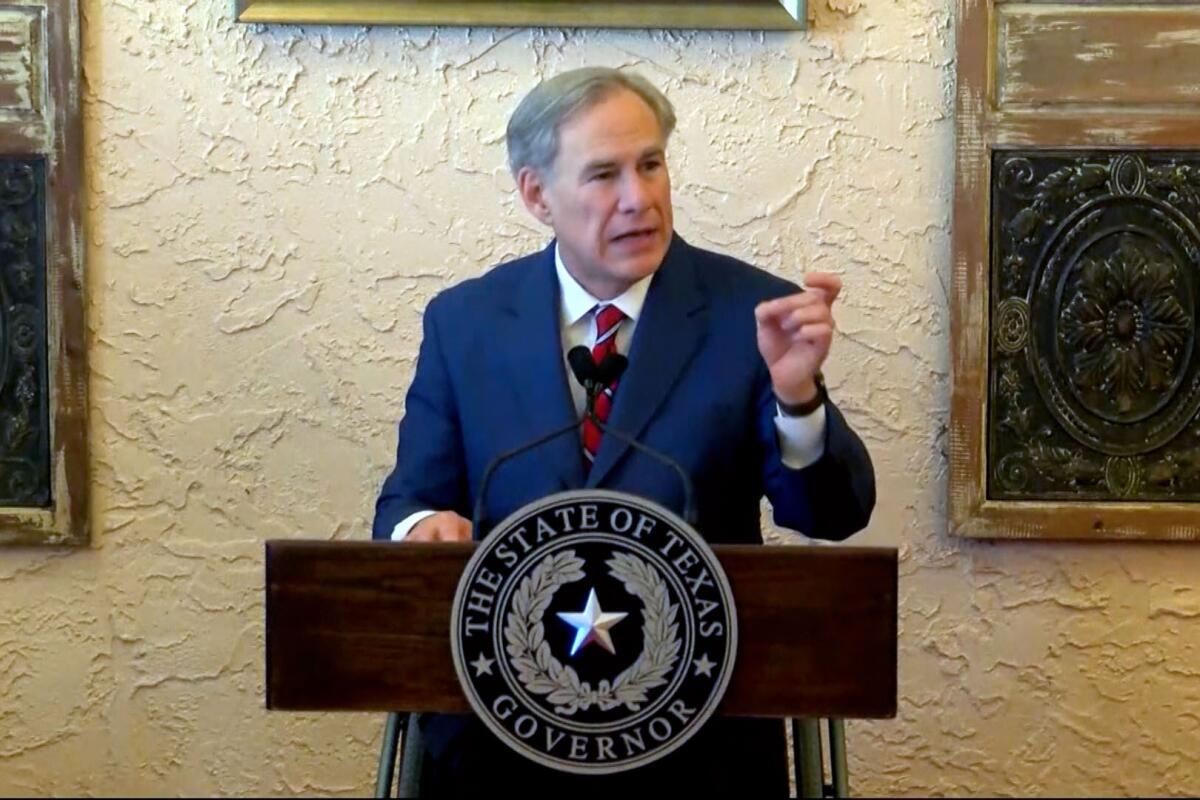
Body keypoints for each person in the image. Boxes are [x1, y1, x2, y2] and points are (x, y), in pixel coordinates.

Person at [373, 67, 875, 795]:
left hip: (701, 741)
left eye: (651, 164)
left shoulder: (751, 313)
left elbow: (834, 516)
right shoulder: (466, 323)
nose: (639, 199)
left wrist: (796, 396)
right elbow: (407, 502)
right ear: (536, 194)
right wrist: (422, 532)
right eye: (604, 175)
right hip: (502, 738)